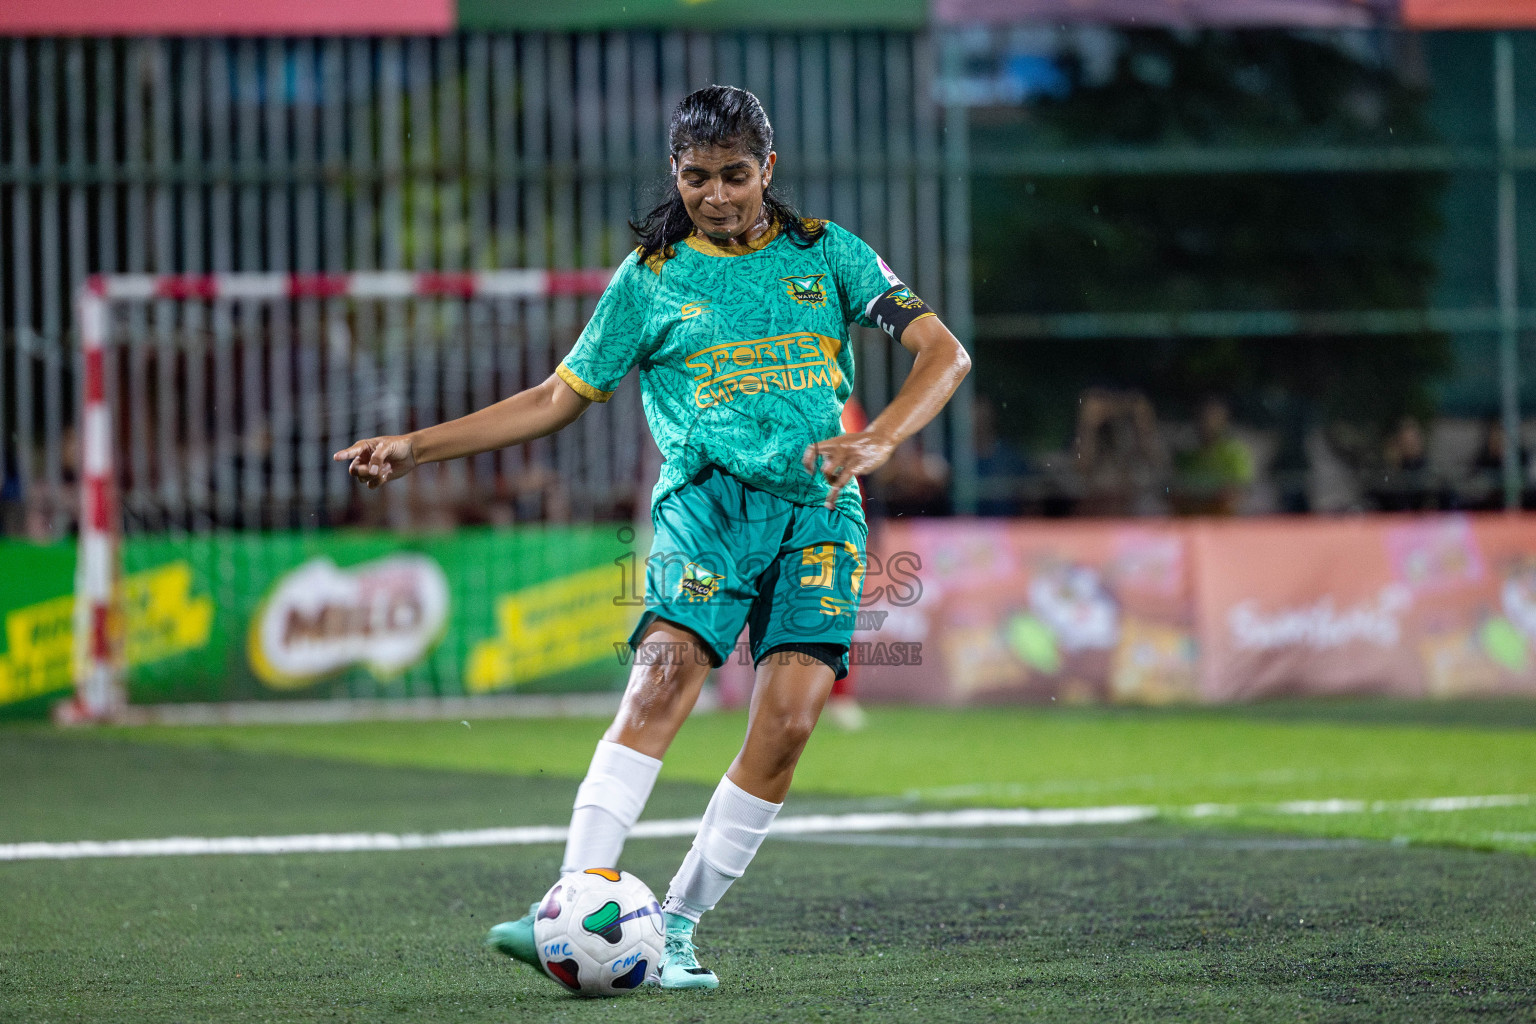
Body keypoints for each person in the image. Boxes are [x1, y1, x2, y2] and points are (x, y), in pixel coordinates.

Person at [333, 85, 970, 991]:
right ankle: (564, 904)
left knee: (788, 727)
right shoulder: (650, 277)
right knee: (663, 681)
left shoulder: (830, 255)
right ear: (674, 173)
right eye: (697, 176)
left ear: (769, 169)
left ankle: (674, 926)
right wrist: (415, 448)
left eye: (736, 176)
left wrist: (880, 437)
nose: (717, 195)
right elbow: (558, 399)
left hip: (820, 517)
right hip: (706, 513)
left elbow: (944, 352)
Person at [1170, 396, 1252, 516]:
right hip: (1188, 518)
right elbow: (1173, 488)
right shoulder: (1186, 454)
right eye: (1203, 417)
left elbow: (1242, 490)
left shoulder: (1235, 453)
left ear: (1224, 421)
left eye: (1214, 417)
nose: (1208, 422)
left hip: (1224, 519)